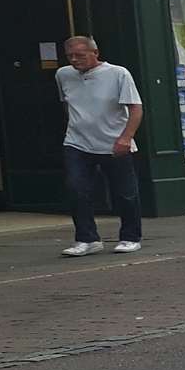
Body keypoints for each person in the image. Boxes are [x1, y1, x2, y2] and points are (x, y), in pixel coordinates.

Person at [56, 36, 143, 257]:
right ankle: (87, 238)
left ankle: (130, 236)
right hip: (77, 141)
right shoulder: (63, 75)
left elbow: (135, 108)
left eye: (80, 55)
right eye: (70, 56)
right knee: (76, 188)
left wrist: (126, 137)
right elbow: (67, 104)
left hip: (113, 141)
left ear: (95, 53)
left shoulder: (118, 74)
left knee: (125, 192)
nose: (75, 60)